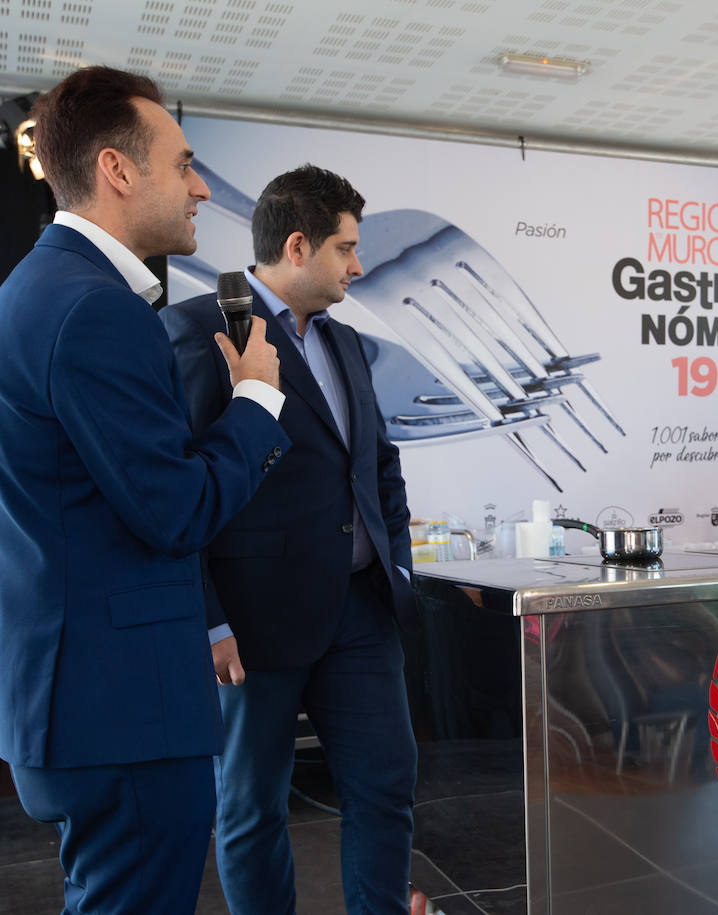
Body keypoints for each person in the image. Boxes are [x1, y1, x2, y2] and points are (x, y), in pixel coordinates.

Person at [0, 66, 288, 912]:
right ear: (117, 170)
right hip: (118, 708)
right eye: (183, 164)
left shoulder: (44, 291)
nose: (202, 187)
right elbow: (176, 509)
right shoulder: (92, 309)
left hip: (83, 702)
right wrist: (255, 399)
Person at [161, 165, 419, 915]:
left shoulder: (347, 345)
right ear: (299, 246)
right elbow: (178, 491)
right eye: (346, 249)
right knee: (250, 807)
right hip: (252, 625)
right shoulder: (197, 332)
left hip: (360, 617)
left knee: (387, 785)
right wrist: (208, 617)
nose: (359, 266)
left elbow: (377, 463)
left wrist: (393, 560)